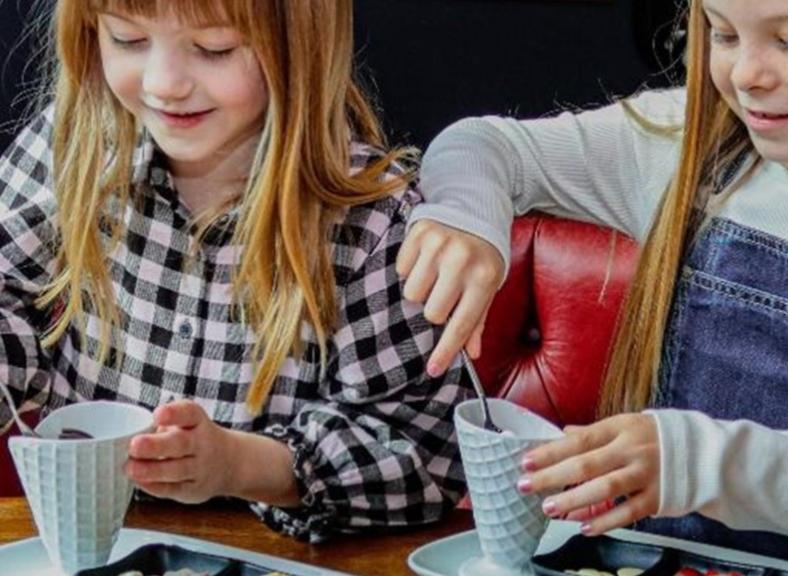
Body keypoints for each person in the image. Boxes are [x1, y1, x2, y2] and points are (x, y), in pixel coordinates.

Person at [396, 0, 788, 572]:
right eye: (722, 34)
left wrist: (699, 462)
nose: (747, 75)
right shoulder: (684, 142)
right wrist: (466, 217)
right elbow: (482, 145)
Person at [0, 0, 468, 541]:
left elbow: (423, 459)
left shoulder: (373, 221)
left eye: (213, 48)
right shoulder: (72, 145)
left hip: (279, 554)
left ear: (298, 46)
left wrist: (239, 465)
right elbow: (14, 306)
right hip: (85, 543)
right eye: (128, 39)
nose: (164, 82)